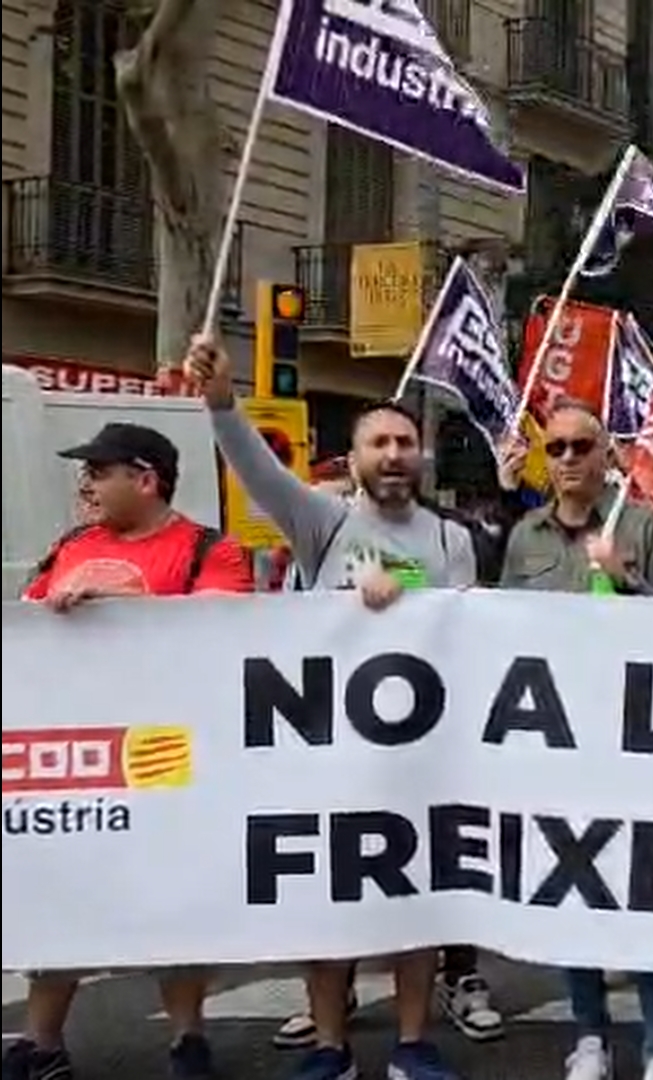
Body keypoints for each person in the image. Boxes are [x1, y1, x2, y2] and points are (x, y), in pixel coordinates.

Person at [185, 334, 477, 1080]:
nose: (393, 454)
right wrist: (222, 402)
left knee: (417, 904)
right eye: (379, 443)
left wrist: (406, 600)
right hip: (330, 755)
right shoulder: (324, 523)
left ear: (422, 457)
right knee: (330, 906)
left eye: (404, 443)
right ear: (354, 460)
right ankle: (330, 1046)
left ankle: (411, 1044)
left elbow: (468, 636)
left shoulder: (452, 539)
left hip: (419, 758)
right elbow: (256, 469)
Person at [5, 422, 254, 1080]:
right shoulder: (71, 545)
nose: (85, 483)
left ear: (145, 480)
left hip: (170, 754)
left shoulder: (209, 549)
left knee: (173, 898)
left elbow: (229, 626)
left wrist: (126, 604)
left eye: (99, 470)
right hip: (78, 755)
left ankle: (188, 1039)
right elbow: (25, 627)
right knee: (63, 894)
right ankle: (41, 1042)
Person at [493, 402, 653, 1080]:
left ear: (607, 455)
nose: (570, 458)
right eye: (557, 448)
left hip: (634, 740)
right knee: (575, 892)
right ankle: (589, 1036)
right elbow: (502, 628)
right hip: (558, 744)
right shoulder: (525, 536)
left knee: (642, 892)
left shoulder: (642, 523)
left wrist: (627, 576)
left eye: (583, 446)